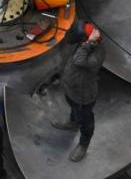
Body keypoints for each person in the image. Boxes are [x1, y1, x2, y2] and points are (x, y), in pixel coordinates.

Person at [52, 20, 105, 162]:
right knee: (74, 109)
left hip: (83, 96)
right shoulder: (86, 44)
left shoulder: (96, 54)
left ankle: (83, 144)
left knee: (86, 121)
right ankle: (72, 123)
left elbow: (78, 61)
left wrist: (88, 44)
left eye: (84, 41)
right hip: (71, 89)